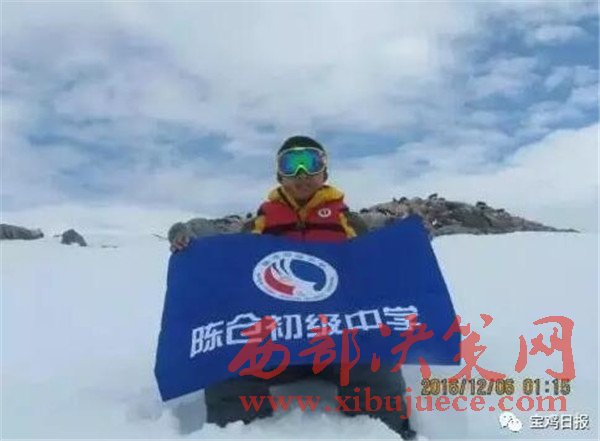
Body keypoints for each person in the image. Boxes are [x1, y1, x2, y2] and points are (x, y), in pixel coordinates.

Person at [168, 135, 417, 440]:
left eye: (310, 163)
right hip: (277, 343)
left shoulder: (349, 222)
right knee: (227, 363)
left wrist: (410, 239)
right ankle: (234, 433)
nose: (301, 174)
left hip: (338, 340)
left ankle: (388, 433)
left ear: (324, 172)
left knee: (376, 362)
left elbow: (380, 263)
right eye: (291, 164)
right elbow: (222, 251)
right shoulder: (257, 226)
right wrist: (187, 237)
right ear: (279, 175)